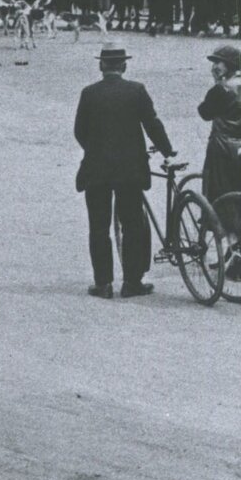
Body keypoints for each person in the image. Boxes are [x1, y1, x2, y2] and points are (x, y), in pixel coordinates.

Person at [72, 40, 175, 299]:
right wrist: (167, 151)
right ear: (124, 65)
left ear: (101, 65)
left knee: (99, 226)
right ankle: (132, 282)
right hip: (130, 169)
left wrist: (96, 149)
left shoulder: (89, 93)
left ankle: (103, 284)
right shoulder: (137, 91)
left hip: (96, 169)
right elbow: (152, 125)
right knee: (132, 225)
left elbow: (79, 132)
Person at [196, 44, 241, 200]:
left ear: (228, 65)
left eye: (217, 63)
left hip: (222, 149)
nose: (213, 68)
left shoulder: (222, 88)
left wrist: (217, 83)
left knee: (219, 194)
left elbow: (204, 113)